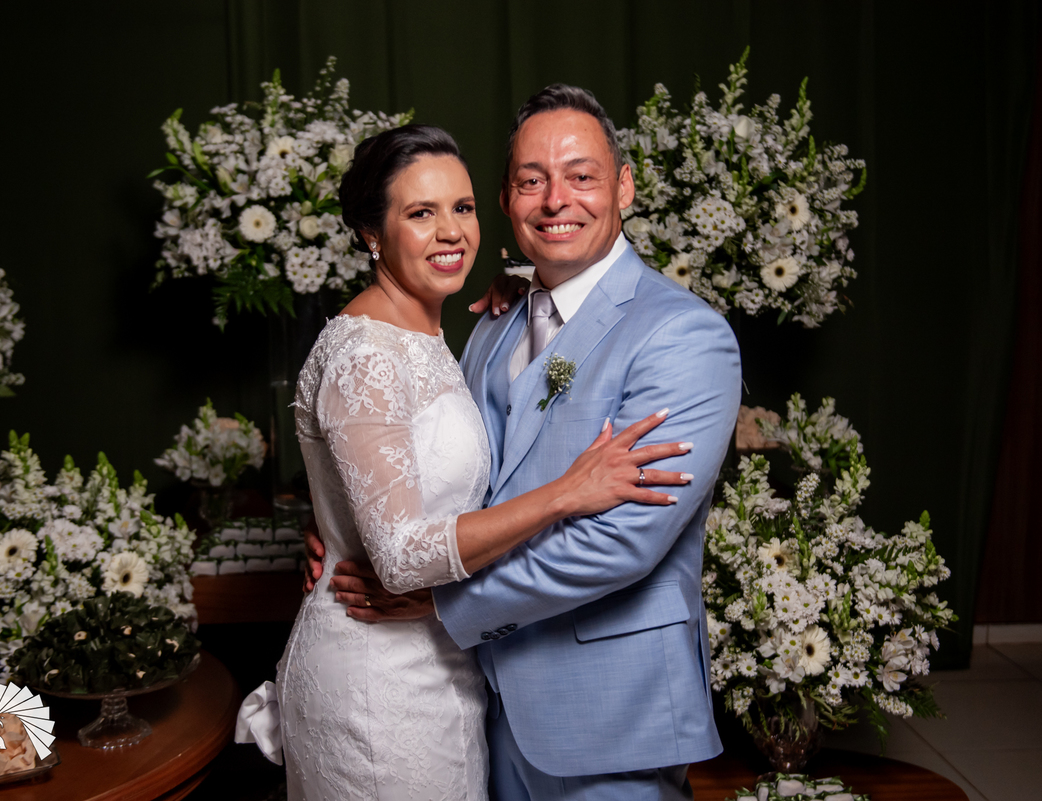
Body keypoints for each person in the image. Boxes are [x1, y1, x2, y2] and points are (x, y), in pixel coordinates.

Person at [237, 123, 697, 800]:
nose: (450, 231)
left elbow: (405, 468)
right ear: (371, 233)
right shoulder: (366, 353)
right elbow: (399, 558)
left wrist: (529, 288)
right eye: (421, 213)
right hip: (379, 684)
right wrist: (565, 493)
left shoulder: (448, 329)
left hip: (443, 669)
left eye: (462, 207)